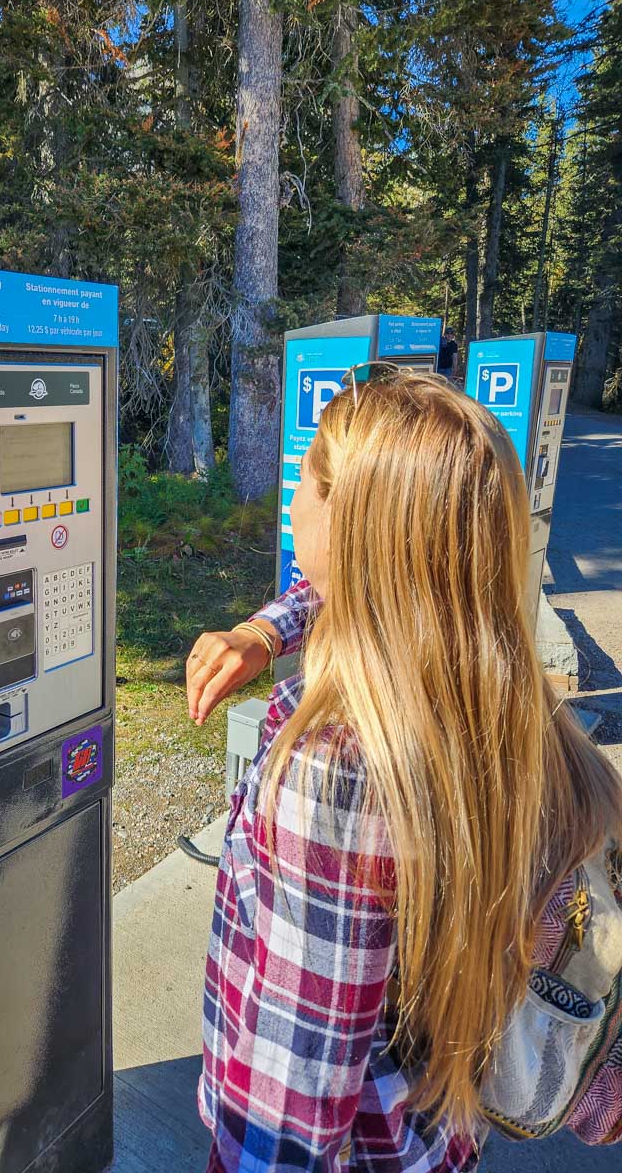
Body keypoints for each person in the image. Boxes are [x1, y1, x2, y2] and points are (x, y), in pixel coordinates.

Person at [185, 372, 622, 1172]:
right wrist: (263, 630)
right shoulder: (495, 703)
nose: (290, 508)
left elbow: (295, 1091)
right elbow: (385, 590)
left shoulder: (335, 774)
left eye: (307, 484)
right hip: (440, 1135)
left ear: (352, 527)